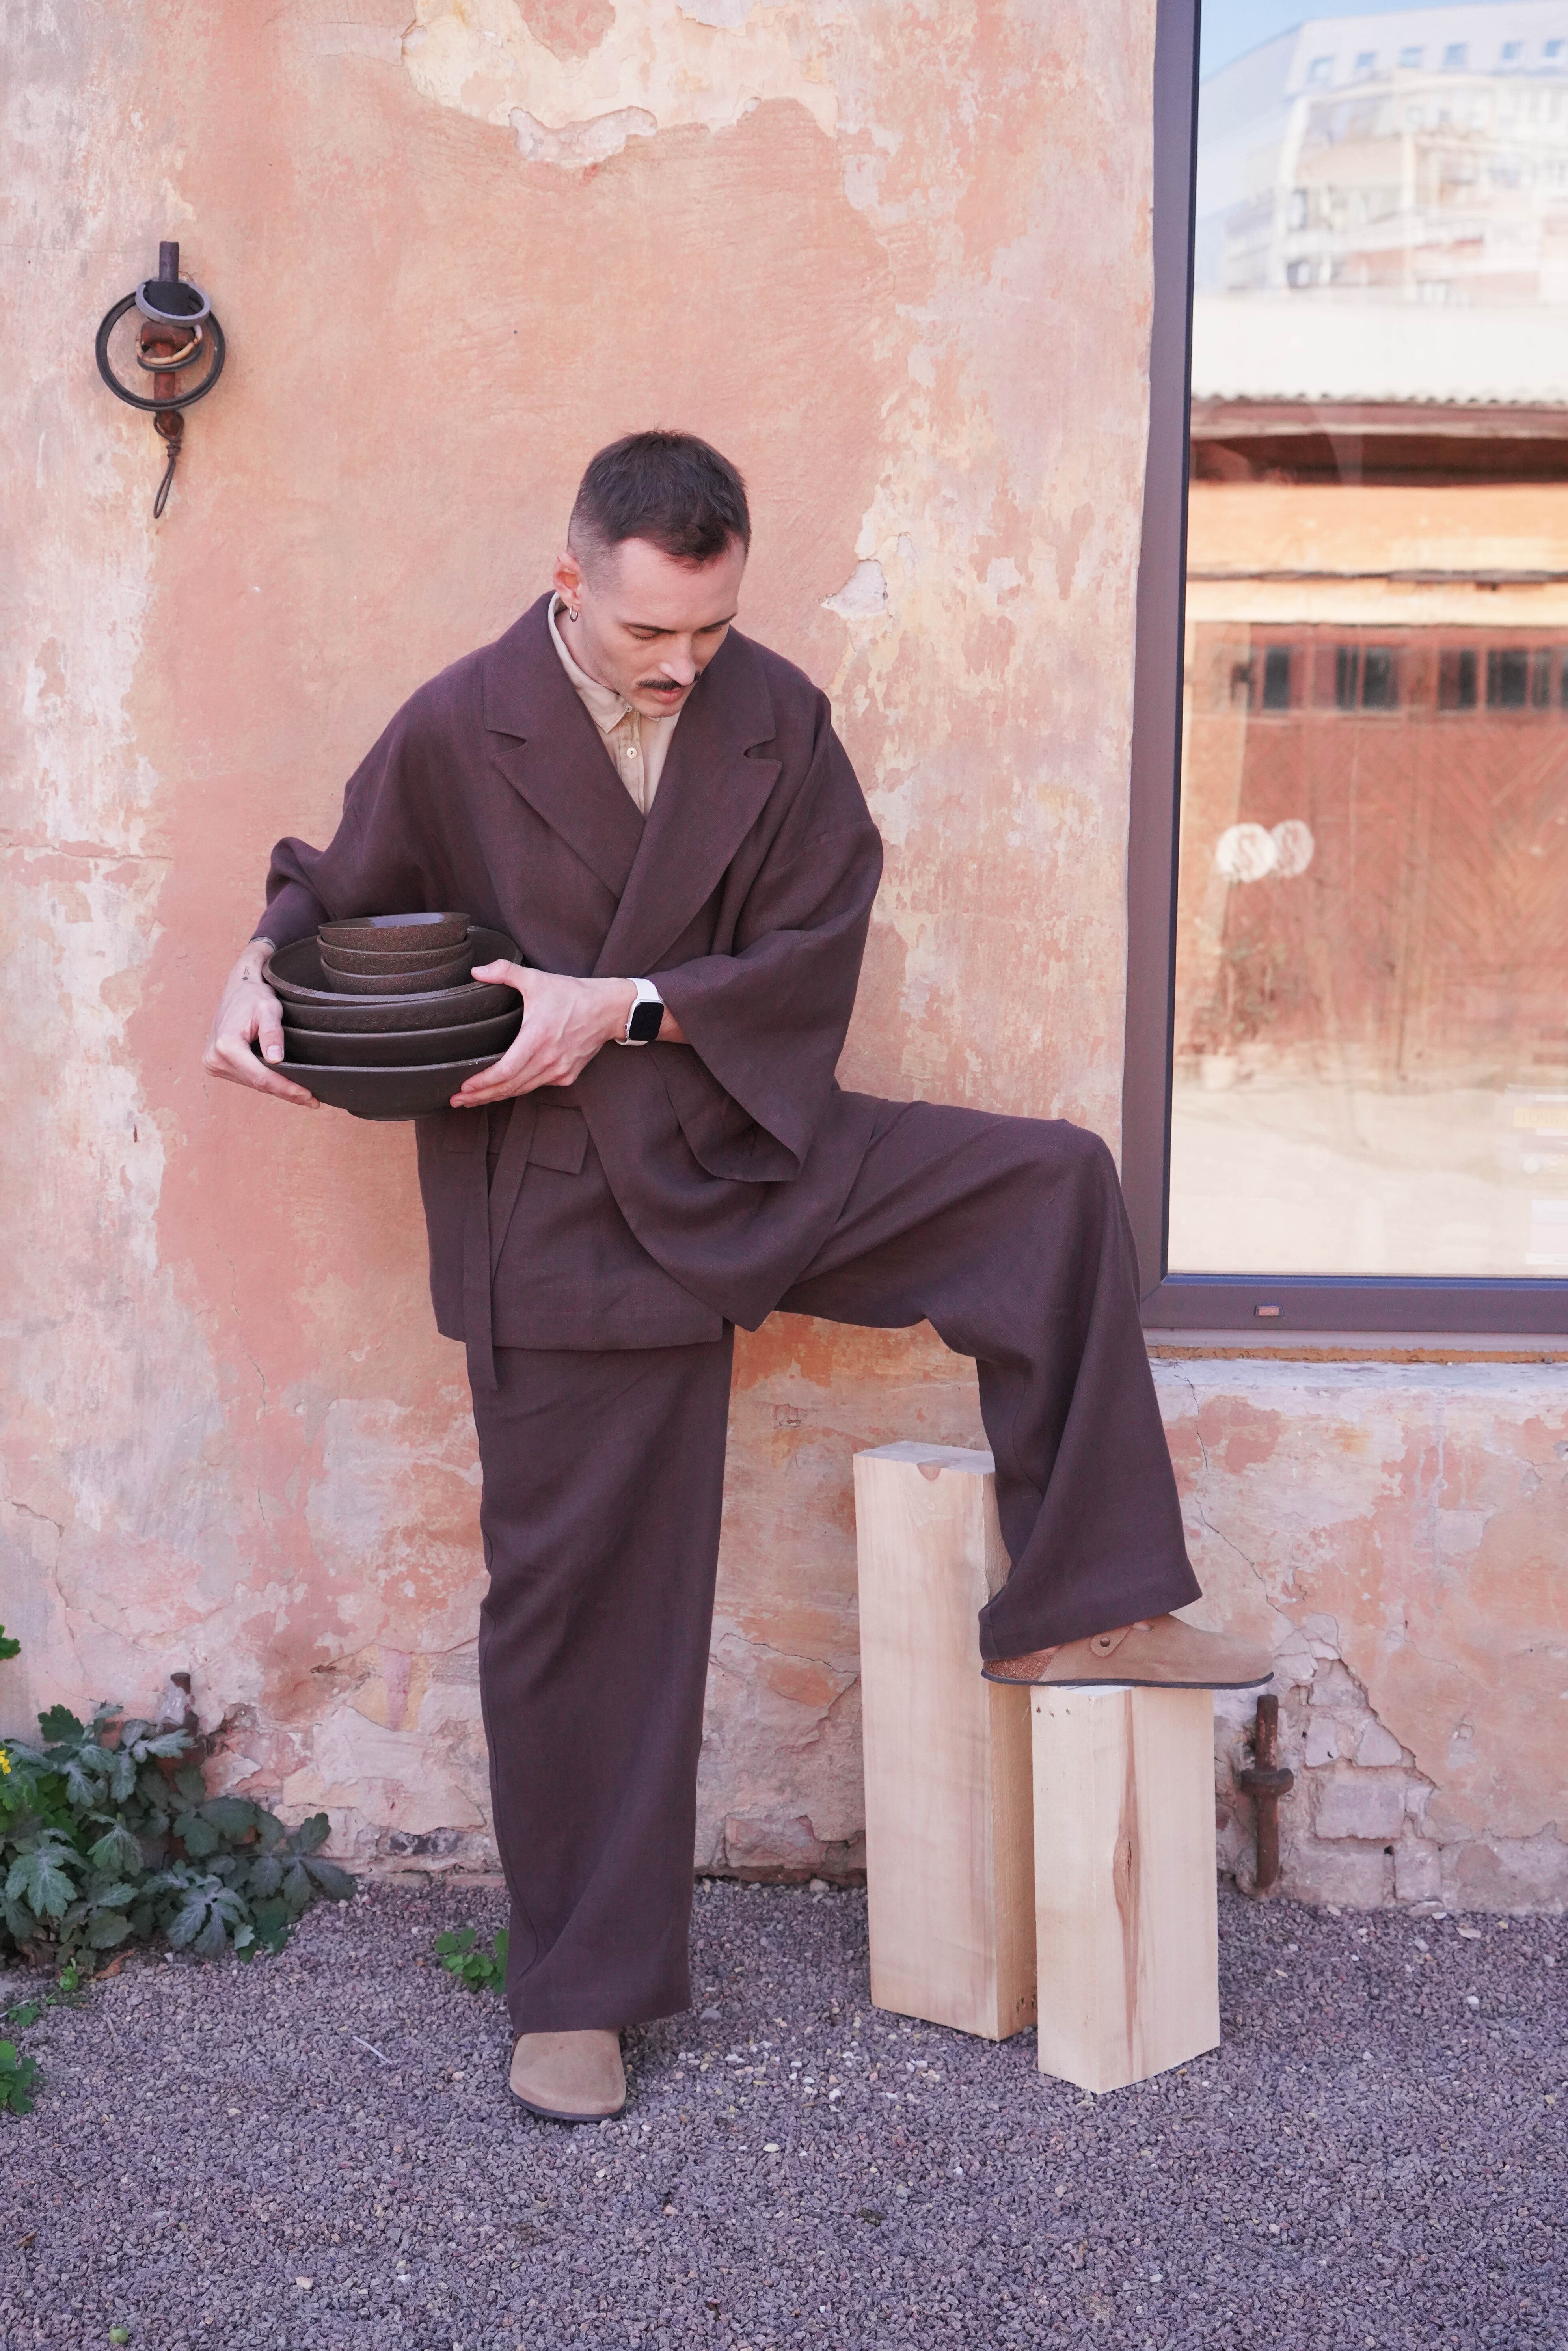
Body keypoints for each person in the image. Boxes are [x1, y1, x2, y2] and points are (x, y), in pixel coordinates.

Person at [203, 430, 1270, 2125]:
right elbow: (338, 895)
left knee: (1049, 1187)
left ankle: (1084, 1598)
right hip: (558, 1207)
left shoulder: (777, 716)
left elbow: (810, 948)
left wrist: (613, 1005)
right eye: (649, 637)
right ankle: (575, 1994)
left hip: (746, 1147)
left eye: (708, 630)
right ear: (572, 585)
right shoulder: (455, 724)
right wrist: (256, 975)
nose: (685, 665)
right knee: (583, 1609)